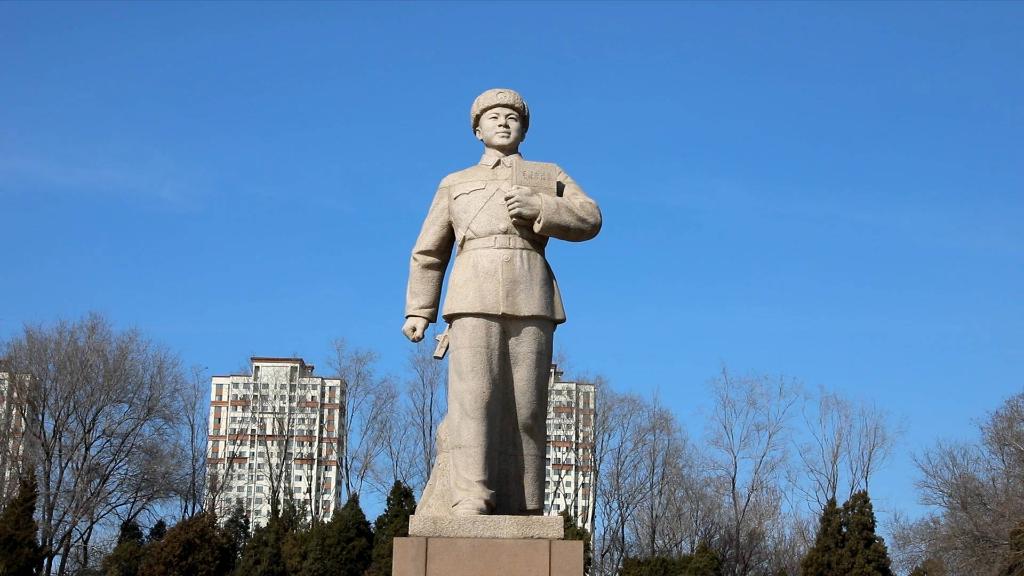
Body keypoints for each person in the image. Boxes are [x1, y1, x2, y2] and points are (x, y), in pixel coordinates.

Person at [403, 88, 601, 516]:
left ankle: (526, 502)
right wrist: (420, 309)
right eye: (493, 117)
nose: (504, 123)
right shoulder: (455, 182)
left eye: (513, 117)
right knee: (474, 401)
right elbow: (429, 251)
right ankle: (471, 497)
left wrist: (540, 206)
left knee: (528, 407)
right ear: (477, 130)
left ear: (524, 129)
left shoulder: (546, 174)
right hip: (472, 293)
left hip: (531, 292)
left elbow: (590, 217)